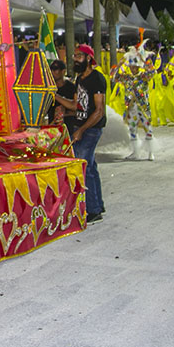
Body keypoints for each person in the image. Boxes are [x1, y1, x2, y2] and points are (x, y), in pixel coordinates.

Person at [70, 43, 106, 223]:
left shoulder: (97, 79)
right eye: (74, 56)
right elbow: (76, 106)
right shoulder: (79, 79)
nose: (75, 59)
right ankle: (96, 206)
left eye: (79, 56)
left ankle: (92, 209)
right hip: (81, 127)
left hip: (91, 129)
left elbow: (99, 111)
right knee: (90, 167)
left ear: (89, 59)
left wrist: (81, 131)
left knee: (83, 167)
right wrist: (55, 97)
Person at [116, 48, 156, 159]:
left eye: (135, 67)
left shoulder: (143, 77)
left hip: (143, 107)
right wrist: (118, 66)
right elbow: (114, 77)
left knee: (148, 128)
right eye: (132, 67)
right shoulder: (127, 78)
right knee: (132, 129)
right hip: (131, 108)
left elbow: (153, 72)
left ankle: (150, 152)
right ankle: (135, 152)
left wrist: (144, 61)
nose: (133, 69)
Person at [47, 59, 78, 130]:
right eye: (50, 69)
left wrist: (65, 113)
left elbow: (78, 109)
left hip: (69, 127)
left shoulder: (71, 88)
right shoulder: (49, 87)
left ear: (63, 71)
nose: (52, 72)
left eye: (55, 69)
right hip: (52, 127)